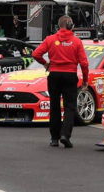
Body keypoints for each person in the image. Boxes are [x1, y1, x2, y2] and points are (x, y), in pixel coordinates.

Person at [32, 15, 89, 148]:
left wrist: (46, 64)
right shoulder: (76, 41)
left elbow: (36, 54)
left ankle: (54, 138)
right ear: (70, 25)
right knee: (70, 106)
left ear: (58, 26)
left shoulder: (50, 39)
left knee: (54, 106)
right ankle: (65, 135)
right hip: (70, 75)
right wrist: (85, 80)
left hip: (54, 75)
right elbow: (84, 64)